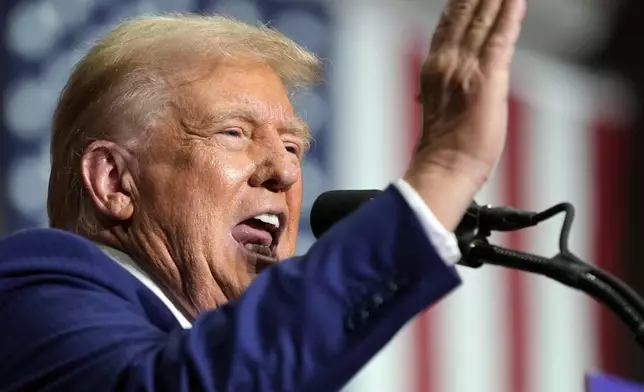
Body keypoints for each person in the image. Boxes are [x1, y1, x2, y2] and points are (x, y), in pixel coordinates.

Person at [0, 0, 526, 390]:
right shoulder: (30, 289)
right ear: (114, 181)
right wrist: (445, 170)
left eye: (294, 147)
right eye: (234, 133)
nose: (285, 173)